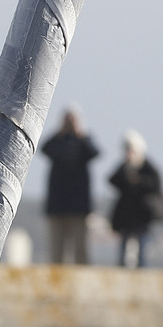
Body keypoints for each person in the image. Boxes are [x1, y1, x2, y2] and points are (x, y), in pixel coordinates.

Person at [40, 107, 99, 265]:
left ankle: (83, 281)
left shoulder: (83, 142)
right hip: (57, 205)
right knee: (56, 251)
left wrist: (81, 132)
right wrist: (60, 131)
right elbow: (44, 148)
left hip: (79, 207)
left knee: (81, 250)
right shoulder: (57, 141)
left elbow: (95, 152)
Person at [108, 133, 163, 268]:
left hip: (142, 217)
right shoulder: (124, 167)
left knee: (142, 249)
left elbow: (156, 185)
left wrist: (138, 181)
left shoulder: (148, 167)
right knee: (123, 248)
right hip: (126, 216)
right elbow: (112, 180)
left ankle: (142, 272)